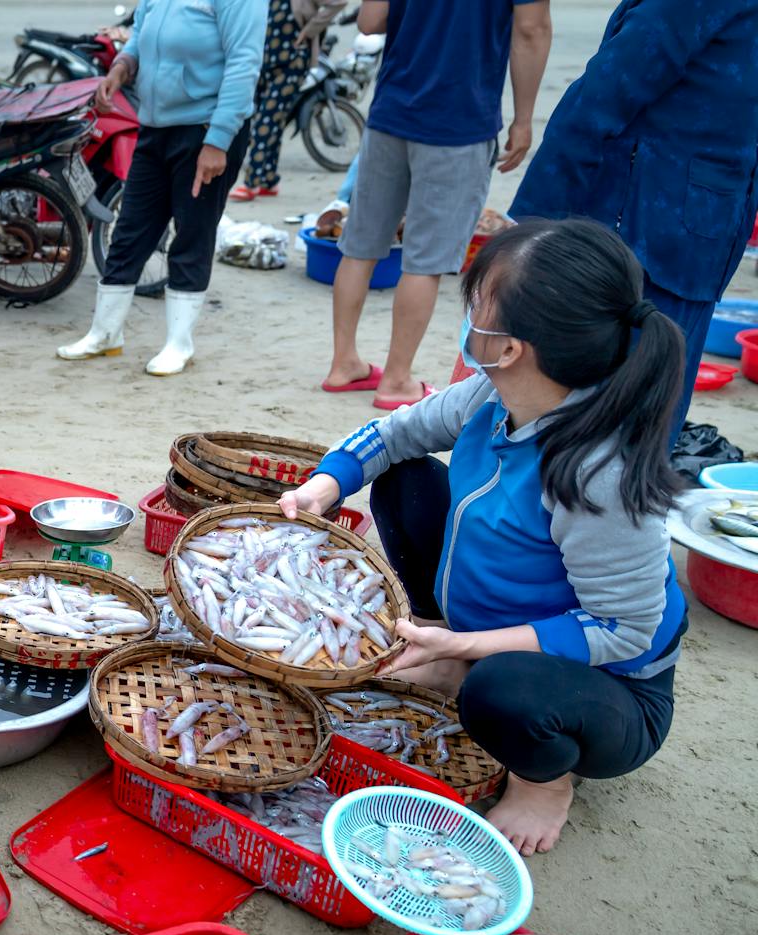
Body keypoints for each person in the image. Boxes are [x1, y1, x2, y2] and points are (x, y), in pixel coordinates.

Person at [281, 220, 687, 856]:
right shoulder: (490, 395)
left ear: (512, 348)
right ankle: (449, 651)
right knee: (403, 479)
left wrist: (475, 647)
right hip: (495, 620)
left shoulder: (598, 474)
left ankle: (544, 780)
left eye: (478, 310)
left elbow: (622, 630)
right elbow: (395, 434)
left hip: (607, 691)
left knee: (501, 693)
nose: (469, 321)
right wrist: (325, 486)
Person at [509, 0, 758, 449]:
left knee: (648, 427)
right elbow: (598, 99)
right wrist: (530, 234)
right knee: (598, 431)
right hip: (641, 236)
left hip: (701, 238)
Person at [320, 0, 551, 412]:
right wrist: (523, 118)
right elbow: (531, 30)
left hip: (390, 113)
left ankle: (343, 364)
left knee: (361, 245)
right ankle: (396, 379)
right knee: (425, 260)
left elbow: (370, 21)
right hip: (458, 121)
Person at [58, 0, 266, 376]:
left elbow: (243, 64)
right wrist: (121, 68)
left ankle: (179, 343)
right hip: (155, 124)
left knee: (191, 233)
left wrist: (218, 141)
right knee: (130, 228)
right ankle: (105, 333)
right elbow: (140, 36)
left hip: (206, 128)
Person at [231, 0, 326, 203]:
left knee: (267, 119)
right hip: (263, 62)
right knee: (270, 120)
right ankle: (268, 180)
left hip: (292, 62)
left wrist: (309, 31)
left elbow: (339, 3)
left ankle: (251, 182)